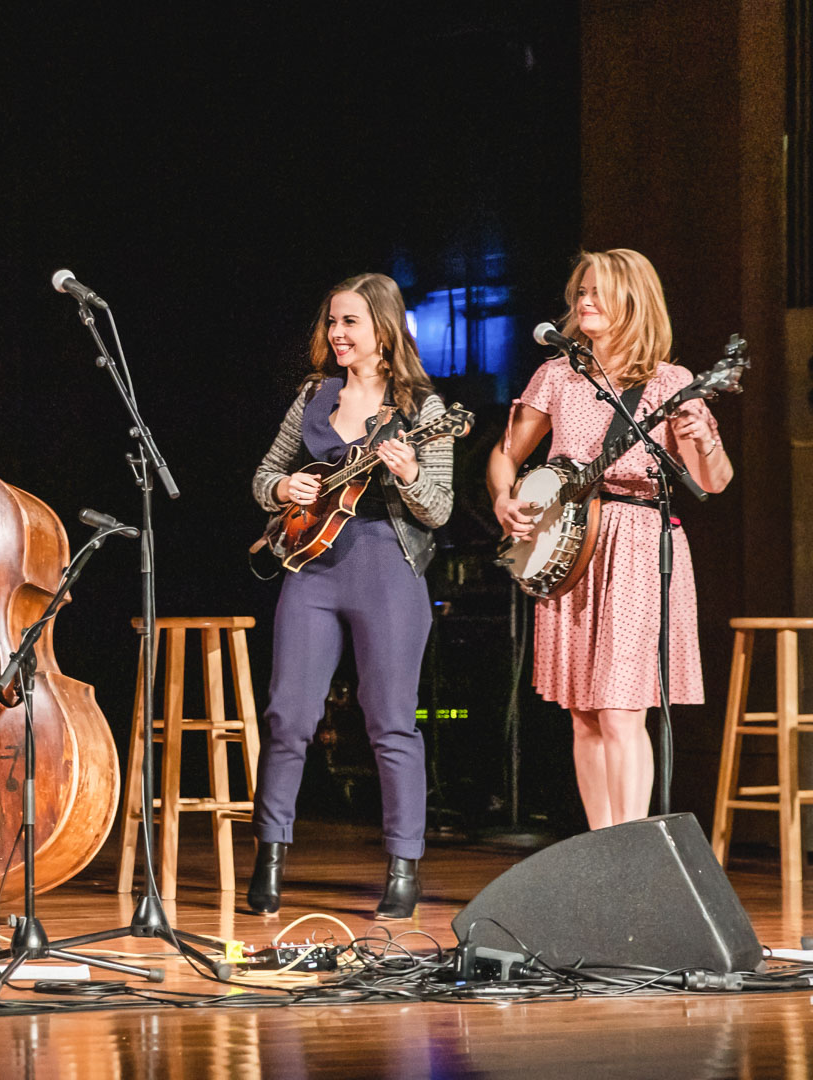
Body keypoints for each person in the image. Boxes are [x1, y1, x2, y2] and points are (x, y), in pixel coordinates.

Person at [487, 249, 732, 831]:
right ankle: (603, 848)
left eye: (598, 291)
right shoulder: (556, 375)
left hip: (639, 545)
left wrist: (704, 438)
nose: (584, 301)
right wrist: (502, 499)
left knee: (622, 710)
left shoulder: (671, 382)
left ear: (633, 300)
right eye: (581, 292)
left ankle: (632, 849)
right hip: (571, 548)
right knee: (585, 713)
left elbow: (712, 482)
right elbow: (505, 455)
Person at [247, 273, 454, 920]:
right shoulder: (314, 396)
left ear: (383, 329)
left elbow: (440, 510)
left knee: (390, 720)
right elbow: (264, 475)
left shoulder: (425, 410)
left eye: (350, 322)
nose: (336, 333)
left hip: (387, 571)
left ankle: (403, 866)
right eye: (332, 322)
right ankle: (270, 855)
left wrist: (410, 473)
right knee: (288, 716)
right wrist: (285, 491)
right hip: (312, 569)